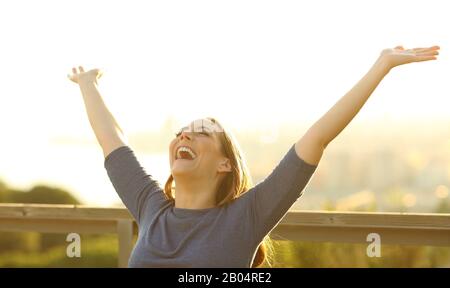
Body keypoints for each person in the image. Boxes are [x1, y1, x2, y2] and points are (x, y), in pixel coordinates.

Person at [67, 45, 439, 267]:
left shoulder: (247, 216)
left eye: (200, 132)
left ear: (224, 164)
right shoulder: (151, 206)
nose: (184, 135)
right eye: (181, 132)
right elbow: (112, 141)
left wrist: (382, 66)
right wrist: (88, 85)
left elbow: (317, 138)